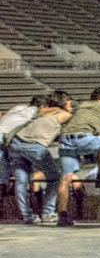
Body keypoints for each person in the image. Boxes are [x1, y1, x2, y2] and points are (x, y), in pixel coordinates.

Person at [54, 85, 100, 223]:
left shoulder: (82, 106)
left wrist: (99, 132)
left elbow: (82, 124)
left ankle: (62, 214)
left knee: (66, 178)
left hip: (66, 138)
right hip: (82, 138)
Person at [9, 93, 69, 224]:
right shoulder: (62, 114)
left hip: (15, 144)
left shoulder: (38, 113)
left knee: (21, 182)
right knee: (54, 177)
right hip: (34, 147)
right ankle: (48, 212)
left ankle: (27, 216)